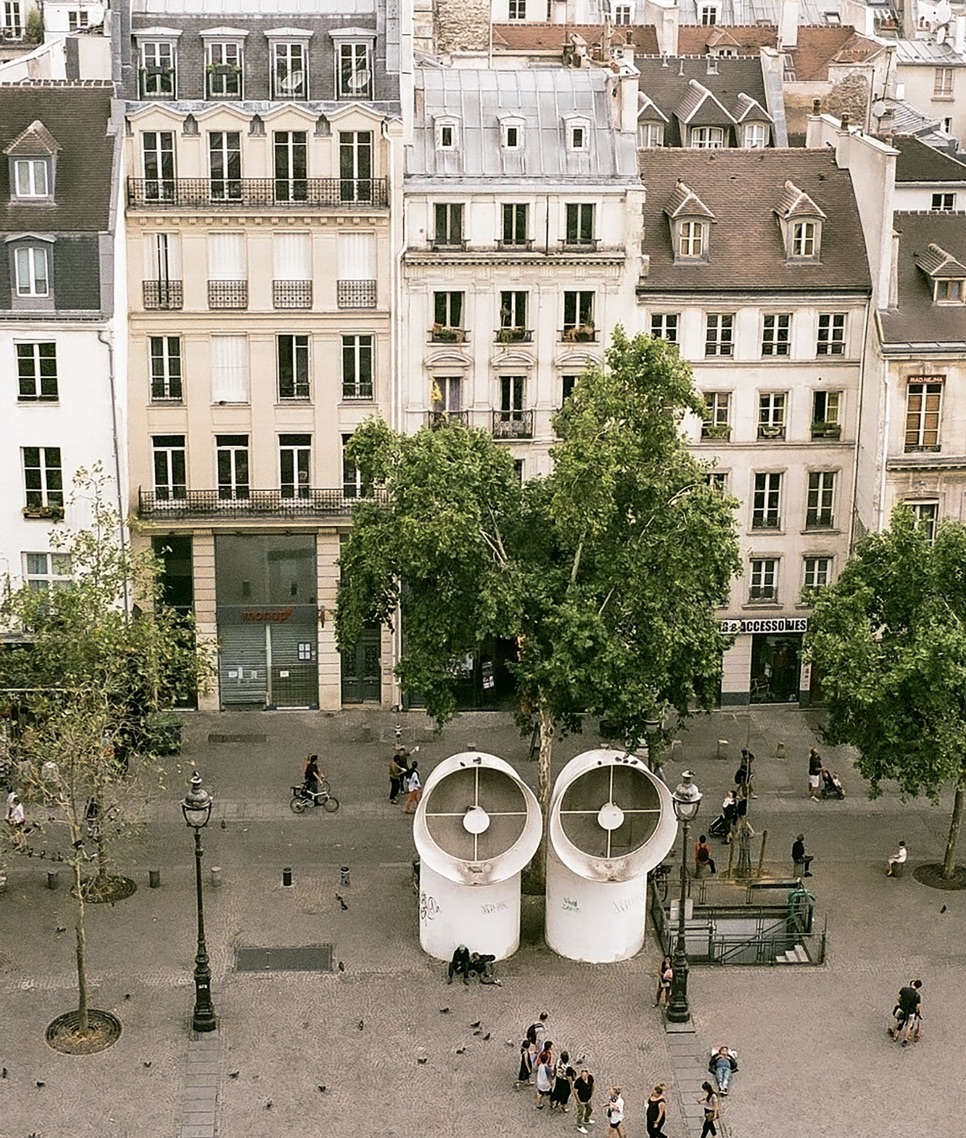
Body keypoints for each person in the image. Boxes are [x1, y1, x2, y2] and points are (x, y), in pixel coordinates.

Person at [891, 979, 923, 1045]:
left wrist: (901, 1003)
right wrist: (917, 1012)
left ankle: (895, 1037)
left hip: (902, 1009)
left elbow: (898, 998)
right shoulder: (917, 996)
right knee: (909, 1026)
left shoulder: (904, 989)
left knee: (899, 1023)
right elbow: (918, 1006)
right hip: (911, 1012)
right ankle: (905, 1040)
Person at [574, 1068, 595, 1133]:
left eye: (585, 1076)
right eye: (582, 1076)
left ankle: (586, 1119)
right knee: (580, 1113)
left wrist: (591, 1094)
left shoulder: (590, 1078)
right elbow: (575, 1091)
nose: (584, 1077)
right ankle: (579, 1126)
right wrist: (578, 1101)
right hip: (581, 1100)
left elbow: (593, 1086)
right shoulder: (578, 1082)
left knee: (590, 1109)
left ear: (588, 1075)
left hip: (588, 1098)